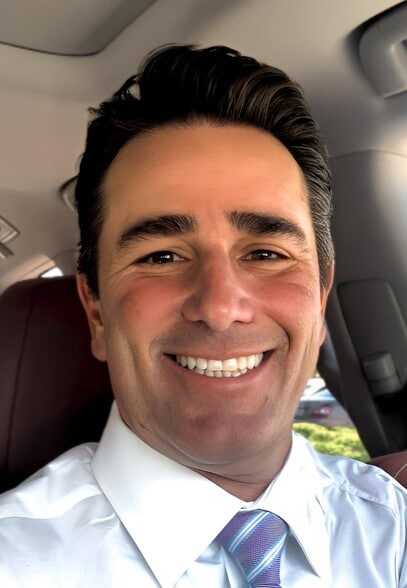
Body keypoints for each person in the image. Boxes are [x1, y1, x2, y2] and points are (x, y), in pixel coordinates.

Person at [0, 44, 406, 587]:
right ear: (96, 310)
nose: (220, 308)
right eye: (161, 257)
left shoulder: (394, 524)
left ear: (320, 293)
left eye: (267, 253)